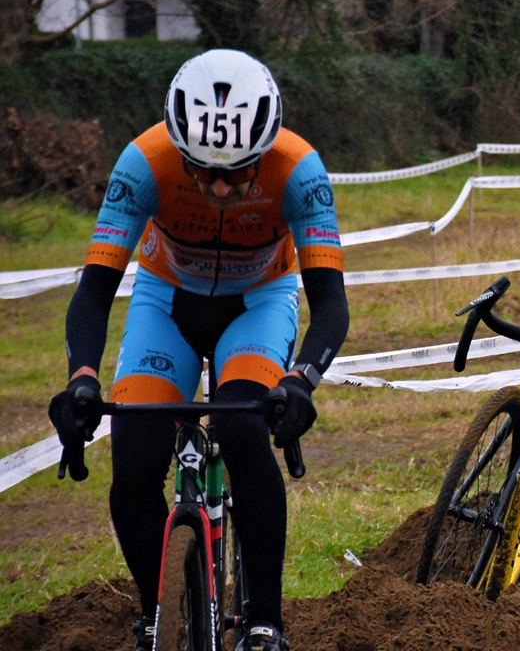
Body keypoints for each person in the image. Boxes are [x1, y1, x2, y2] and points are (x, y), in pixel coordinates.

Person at [46, 49, 349, 651]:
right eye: (201, 169)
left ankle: (265, 621)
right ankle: (158, 613)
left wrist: (301, 381)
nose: (217, 186)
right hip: (168, 301)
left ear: (265, 150)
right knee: (132, 461)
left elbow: (331, 302)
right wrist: (81, 377)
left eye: (238, 173)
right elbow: (96, 288)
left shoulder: (300, 171)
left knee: (243, 433)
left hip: (257, 305)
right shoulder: (142, 163)